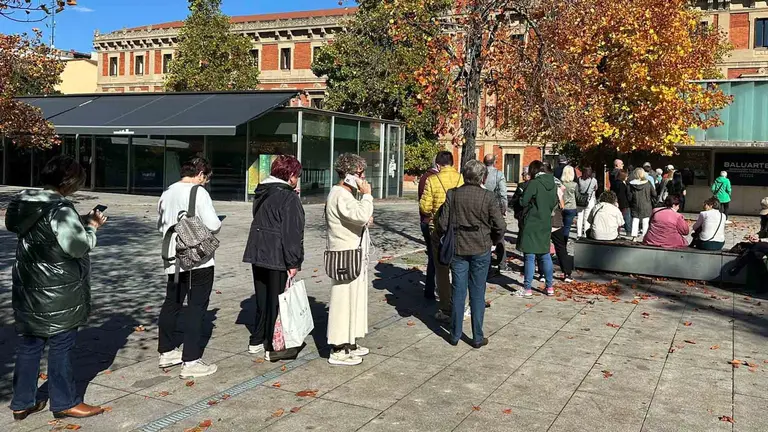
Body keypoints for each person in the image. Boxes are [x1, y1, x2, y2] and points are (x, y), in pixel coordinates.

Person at [5, 155, 107, 420]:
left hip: (29, 286)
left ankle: (22, 401)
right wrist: (92, 228)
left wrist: (78, 221)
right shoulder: (60, 209)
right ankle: (64, 401)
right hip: (58, 289)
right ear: (70, 182)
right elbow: (77, 247)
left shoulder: (24, 202)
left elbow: (43, 232)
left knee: (30, 344)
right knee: (61, 344)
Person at [157, 157, 222, 379]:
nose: (205, 182)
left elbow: (161, 224)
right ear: (200, 174)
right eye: (206, 178)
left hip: (172, 256)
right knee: (196, 306)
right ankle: (191, 360)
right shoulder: (198, 192)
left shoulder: (167, 192)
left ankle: (166, 351)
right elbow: (214, 224)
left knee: (172, 302)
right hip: (198, 258)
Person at [243, 155, 305, 362]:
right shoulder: (289, 198)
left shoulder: (262, 192)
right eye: (296, 174)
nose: (297, 178)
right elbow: (292, 233)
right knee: (278, 301)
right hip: (276, 254)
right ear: (290, 175)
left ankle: (256, 340)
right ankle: (273, 344)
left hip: (257, 251)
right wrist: (294, 261)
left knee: (262, 299)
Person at [437, 160, 505, 348]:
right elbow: (500, 226)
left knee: (458, 291)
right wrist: (493, 240)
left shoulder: (453, 194)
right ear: (483, 177)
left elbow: (442, 224)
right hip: (481, 248)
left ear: (464, 175)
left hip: (458, 248)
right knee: (477, 292)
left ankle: (455, 334)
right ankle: (477, 336)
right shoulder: (488, 197)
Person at [326, 153, 374, 366]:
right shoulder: (340, 195)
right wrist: (367, 197)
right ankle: (338, 348)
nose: (363, 179)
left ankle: (350, 341)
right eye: (359, 174)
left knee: (354, 299)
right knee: (343, 300)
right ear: (349, 175)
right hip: (345, 254)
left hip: (352, 252)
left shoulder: (346, 195)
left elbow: (358, 217)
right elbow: (360, 215)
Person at [419, 151, 463, 322]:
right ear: (452, 163)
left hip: (438, 229)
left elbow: (425, 206)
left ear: (438, 165)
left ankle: (445, 308)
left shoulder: (432, 180)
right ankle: (460, 304)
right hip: (458, 229)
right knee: (459, 268)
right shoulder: (461, 178)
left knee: (442, 270)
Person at [518, 160, 558, 297]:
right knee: (545, 255)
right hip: (546, 221)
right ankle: (550, 286)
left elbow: (523, 201)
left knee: (529, 256)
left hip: (532, 222)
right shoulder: (553, 184)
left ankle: (527, 288)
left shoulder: (534, 183)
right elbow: (554, 202)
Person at [418, 160, 440, 299]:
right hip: (433, 221)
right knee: (436, 257)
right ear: (438, 165)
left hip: (424, 221)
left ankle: (430, 288)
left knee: (432, 255)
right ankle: (434, 288)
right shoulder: (434, 179)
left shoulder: (423, 177)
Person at [548, 165, 574, 282]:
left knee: (543, 248)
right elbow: (562, 205)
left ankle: (543, 273)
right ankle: (567, 274)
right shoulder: (557, 185)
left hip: (542, 221)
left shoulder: (537, 184)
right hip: (556, 220)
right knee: (561, 248)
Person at [483, 155, 508, 272]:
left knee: (485, 233)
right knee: (500, 234)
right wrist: (504, 209)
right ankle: (502, 263)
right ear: (495, 162)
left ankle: (486, 263)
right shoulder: (499, 174)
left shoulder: (480, 173)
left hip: (482, 206)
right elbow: (503, 193)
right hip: (495, 206)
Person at [629, 167, 657, 240]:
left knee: (635, 220)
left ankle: (634, 237)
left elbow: (629, 196)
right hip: (646, 204)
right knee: (646, 220)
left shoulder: (631, 184)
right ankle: (645, 236)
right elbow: (654, 193)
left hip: (635, 204)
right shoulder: (648, 183)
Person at [576, 167, 598, 239]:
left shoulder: (579, 179)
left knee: (579, 217)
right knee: (587, 217)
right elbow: (596, 188)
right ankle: (585, 233)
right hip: (590, 200)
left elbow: (578, 189)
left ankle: (578, 234)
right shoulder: (593, 180)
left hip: (580, 200)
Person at [560, 165, 578, 242]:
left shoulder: (560, 184)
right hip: (571, 207)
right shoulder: (574, 185)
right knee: (567, 227)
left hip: (561, 206)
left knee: (560, 227)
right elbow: (577, 196)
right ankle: (564, 243)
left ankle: (559, 242)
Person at [614, 170, 633, 235]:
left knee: (617, 218)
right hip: (624, 203)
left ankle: (617, 231)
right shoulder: (622, 184)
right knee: (627, 218)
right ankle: (629, 232)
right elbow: (623, 195)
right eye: (626, 176)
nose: (627, 177)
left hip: (616, 202)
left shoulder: (614, 183)